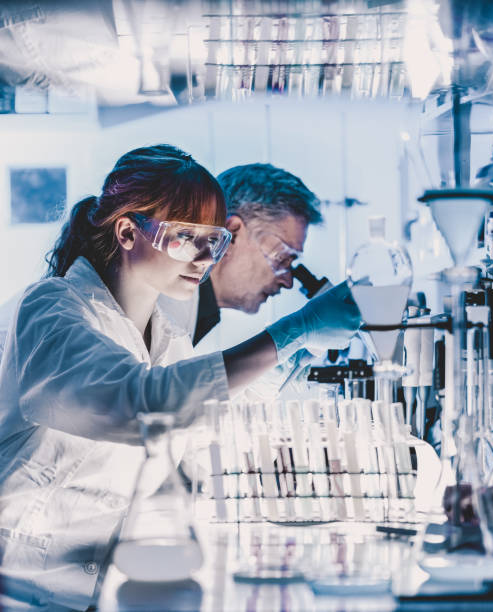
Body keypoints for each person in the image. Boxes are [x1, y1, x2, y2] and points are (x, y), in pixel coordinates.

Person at [0, 144, 360, 610]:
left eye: (214, 240)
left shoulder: (165, 337)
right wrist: (293, 331)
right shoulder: (51, 308)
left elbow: (197, 438)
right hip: (22, 589)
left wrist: (293, 375)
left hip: (93, 588)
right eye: (185, 236)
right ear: (128, 232)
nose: (205, 256)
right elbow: (144, 404)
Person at [159, 163, 323, 347]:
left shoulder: (196, 309)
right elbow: (162, 377)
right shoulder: (164, 305)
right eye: (282, 258)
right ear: (231, 234)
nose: (288, 281)